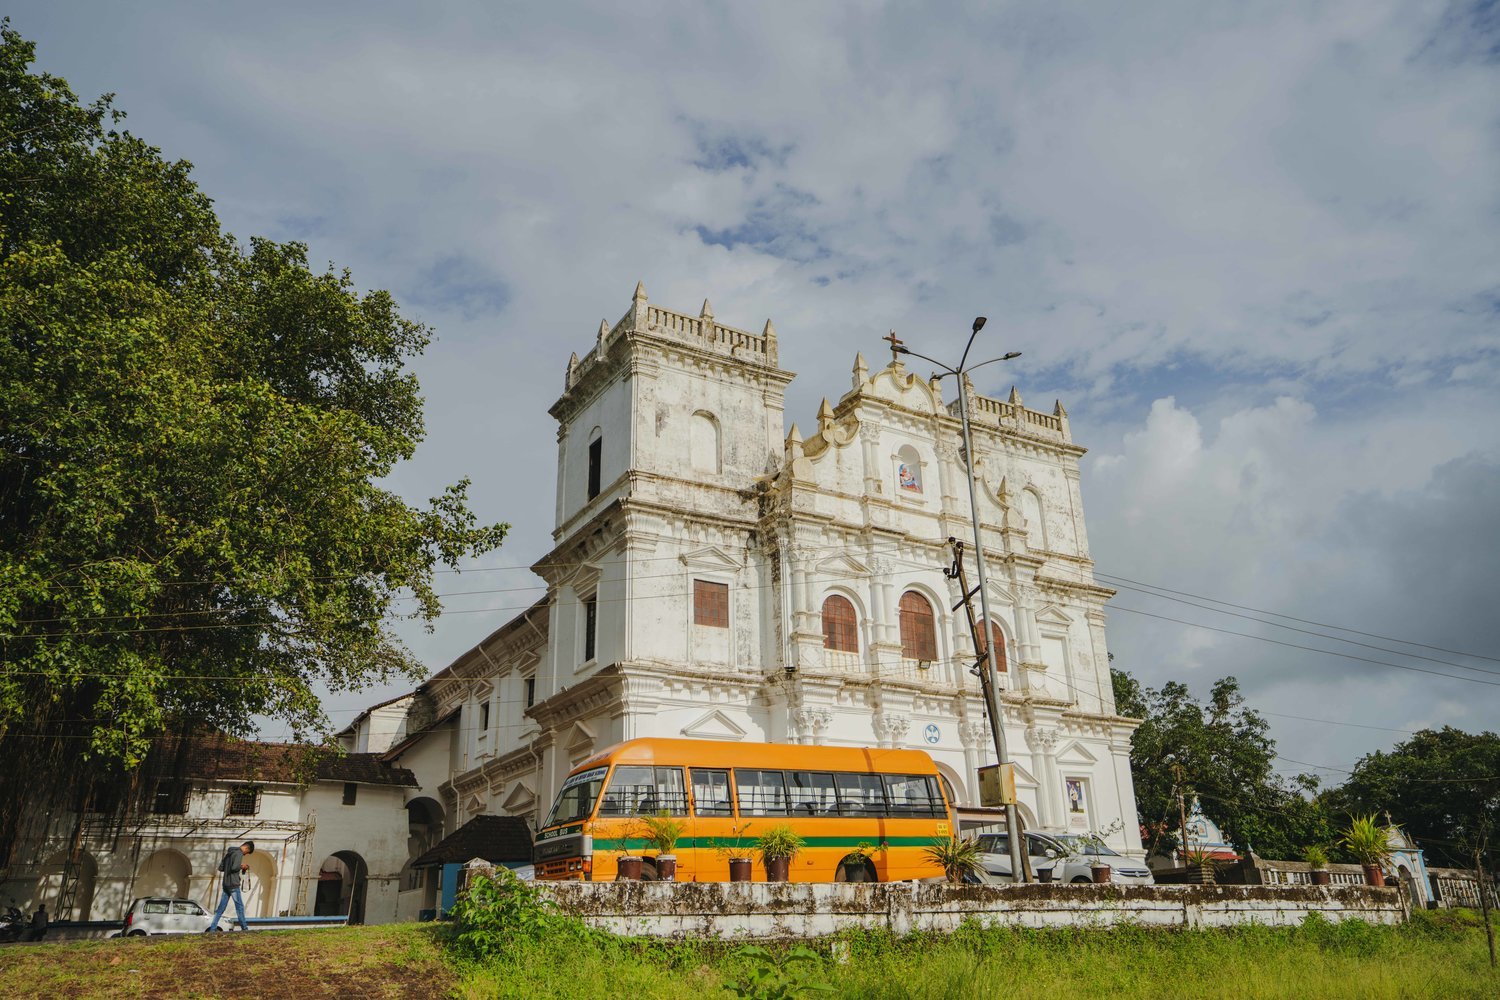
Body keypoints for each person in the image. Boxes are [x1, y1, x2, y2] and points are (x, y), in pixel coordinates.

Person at [205, 841, 254, 932]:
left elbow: (221, 868)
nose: (245, 854)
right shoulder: (239, 853)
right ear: (246, 848)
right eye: (246, 853)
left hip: (226, 884)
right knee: (239, 907)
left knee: (221, 908)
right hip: (233, 884)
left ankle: (213, 928)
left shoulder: (229, 853)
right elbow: (234, 868)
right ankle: (244, 928)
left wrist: (231, 866)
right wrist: (242, 866)